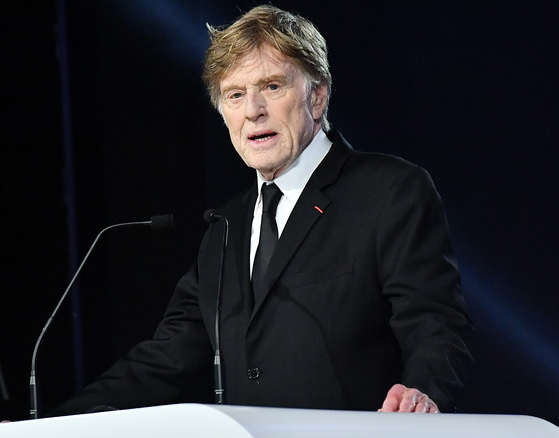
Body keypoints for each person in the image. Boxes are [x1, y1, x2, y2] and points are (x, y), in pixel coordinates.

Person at [51, 4, 473, 416]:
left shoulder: (389, 190)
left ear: (318, 95)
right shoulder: (226, 225)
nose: (253, 111)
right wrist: (54, 425)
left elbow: (434, 322)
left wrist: (421, 389)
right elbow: (168, 356)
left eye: (272, 86)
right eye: (236, 95)